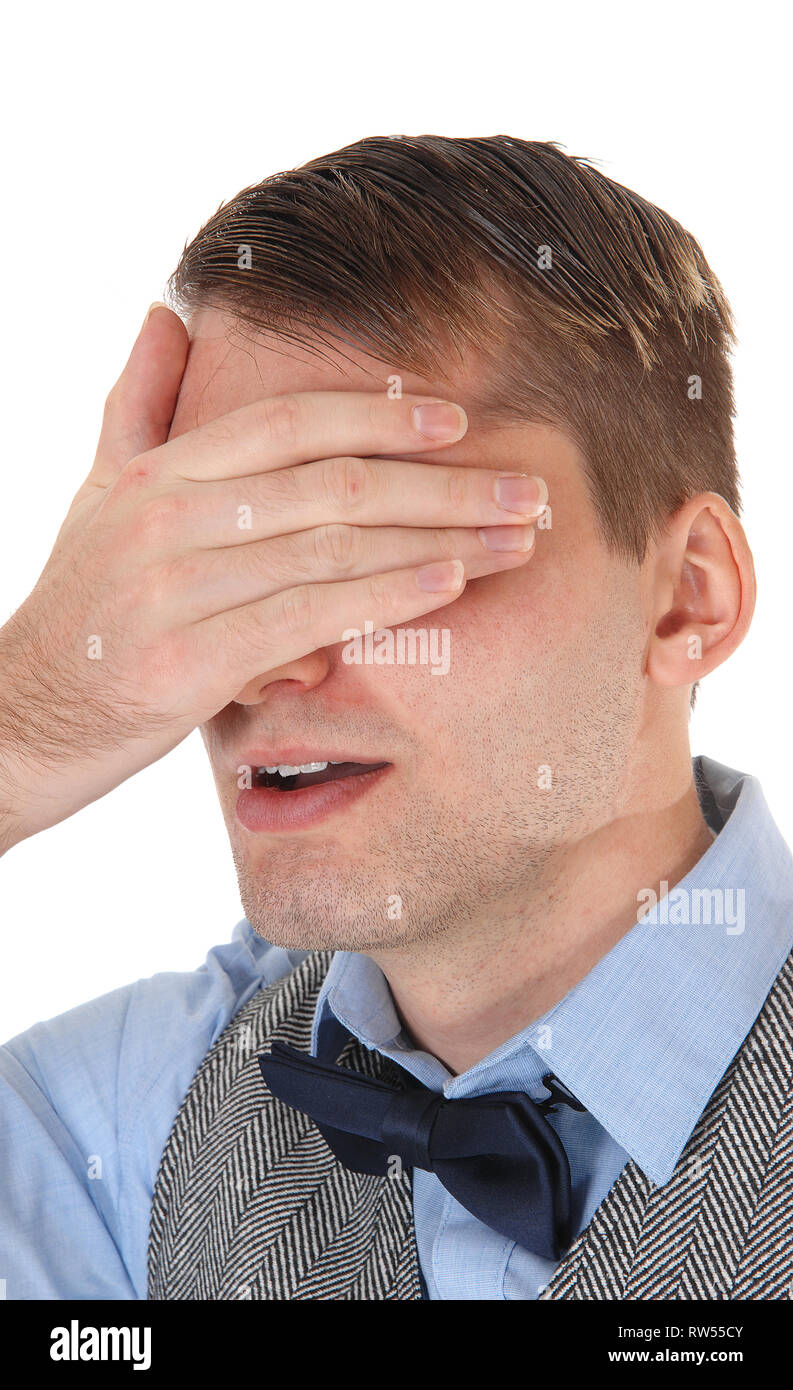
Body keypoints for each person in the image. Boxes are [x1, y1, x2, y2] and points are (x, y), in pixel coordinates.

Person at [1, 135, 790, 1302]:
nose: (262, 663)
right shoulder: (119, 1132)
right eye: (226, 561)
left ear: (685, 597)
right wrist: (23, 727)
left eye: (381, 547)